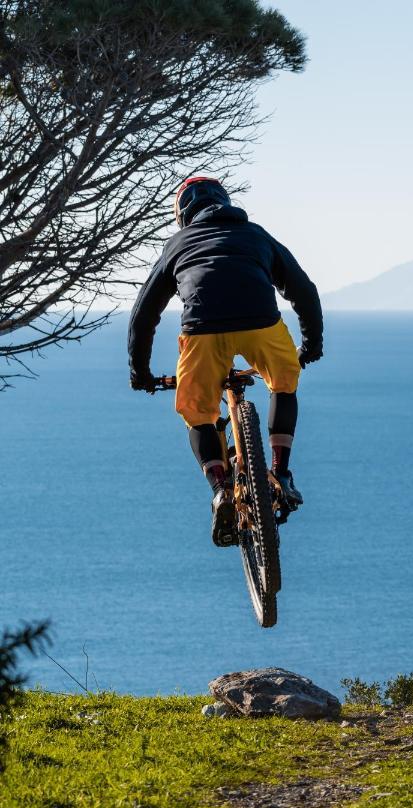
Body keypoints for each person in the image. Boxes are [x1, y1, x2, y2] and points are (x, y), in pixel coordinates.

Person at [128, 176, 323, 546]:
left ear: (183, 215)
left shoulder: (177, 244)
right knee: (283, 381)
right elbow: (303, 290)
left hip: (203, 331)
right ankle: (280, 473)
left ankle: (220, 489)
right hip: (260, 324)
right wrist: (311, 346)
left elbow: (143, 314)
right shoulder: (256, 234)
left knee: (198, 411)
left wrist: (141, 372)